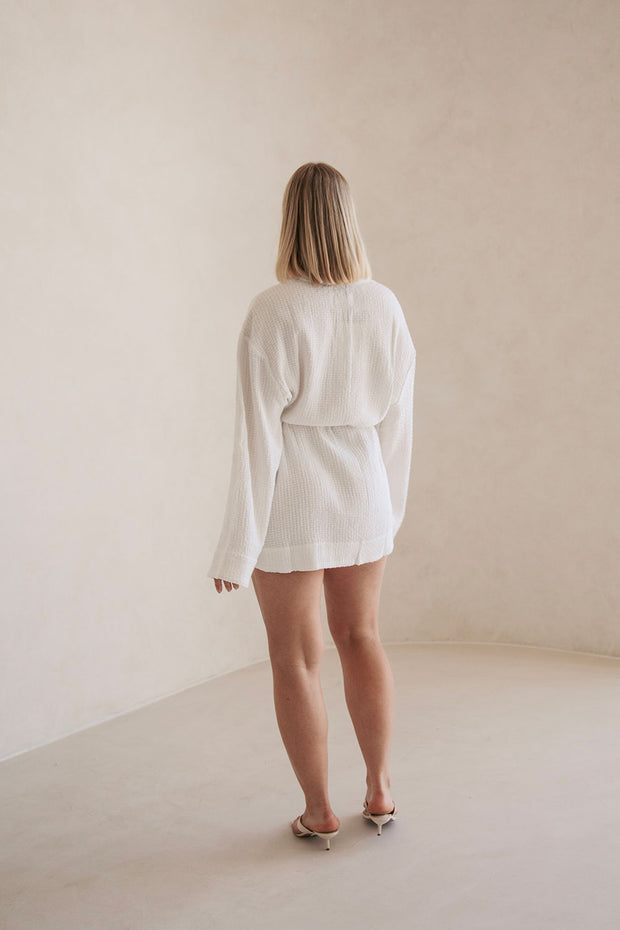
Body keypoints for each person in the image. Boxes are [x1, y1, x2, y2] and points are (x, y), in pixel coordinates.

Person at [207, 162, 416, 850]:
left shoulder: (274, 310)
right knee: (362, 638)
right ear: (349, 220)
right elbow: (398, 424)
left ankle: (320, 809)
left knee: (296, 659)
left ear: (290, 221)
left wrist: (237, 545)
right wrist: (387, 513)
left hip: (292, 502)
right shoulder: (384, 305)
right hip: (363, 494)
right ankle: (380, 790)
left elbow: (256, 438)